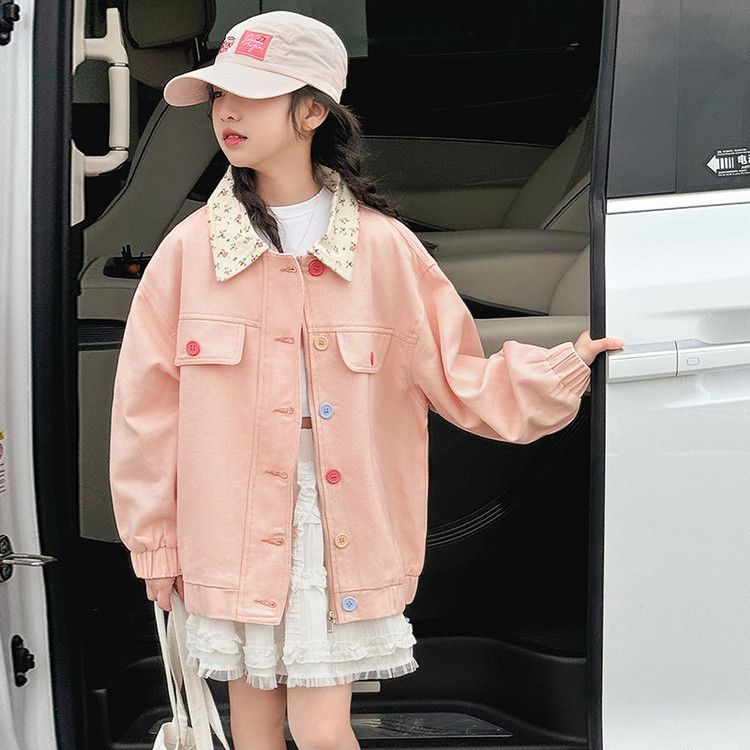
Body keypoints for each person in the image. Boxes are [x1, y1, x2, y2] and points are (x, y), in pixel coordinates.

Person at [109, 10, 624, 750]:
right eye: (220, 95)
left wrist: (563, 366)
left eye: (251, 94)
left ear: (311, 111)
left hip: (337, 533)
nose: (227, 112)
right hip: (227, 531)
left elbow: (459, 376)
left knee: (321, 729)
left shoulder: (385, 251)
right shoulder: (188, 254)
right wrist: (155, 546)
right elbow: (145, 414)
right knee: (251, 728)